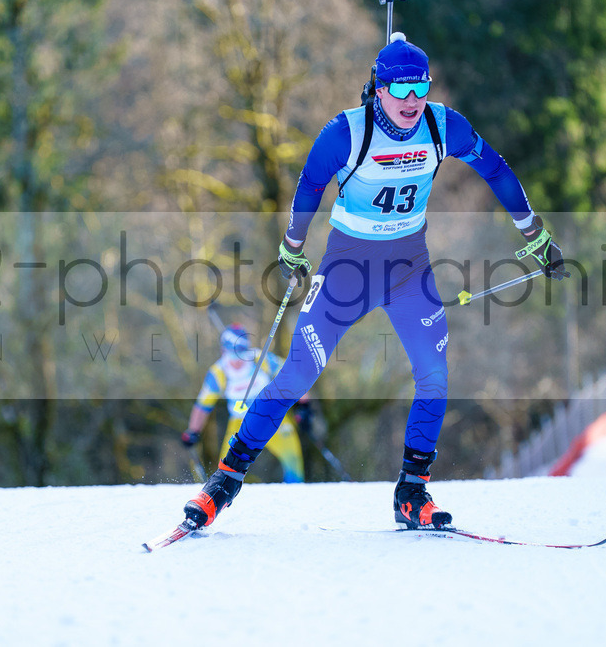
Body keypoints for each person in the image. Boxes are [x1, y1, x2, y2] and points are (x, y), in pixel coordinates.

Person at [183, 32, 568, 530]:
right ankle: (224, 482)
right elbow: (310, 184)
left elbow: (494, 169)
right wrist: (293, 248)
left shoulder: (443, 126)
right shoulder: (346, 133)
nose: (412, 102)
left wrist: (533, 233)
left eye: (421, 89)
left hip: (409, 270)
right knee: (296, 375)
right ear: (378, 89)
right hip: (347, 270)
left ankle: (412, 491)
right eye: (400, 90)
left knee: (434, 375)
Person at [181, 323, 313, 484]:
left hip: (271, 417)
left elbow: (293, 376)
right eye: (233, 356)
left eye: (241, 355)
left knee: (292, 456)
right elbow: (203, 406)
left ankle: (295, 491)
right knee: (226, 466)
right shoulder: (218, 372)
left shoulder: (261, 359)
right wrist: (193, 430)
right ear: (224, 352)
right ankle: (221, 493)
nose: (238, 362)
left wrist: (304, 407)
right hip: (239, 422)